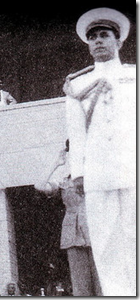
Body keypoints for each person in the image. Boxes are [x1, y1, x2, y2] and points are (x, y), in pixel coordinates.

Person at [63, 7, 135, 296]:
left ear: (118, 41)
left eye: (104, 35)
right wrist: (79, 174)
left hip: (133, 169)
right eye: (92, 38)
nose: (97, 41)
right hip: (98, 174)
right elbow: (76, 133)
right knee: (106, 242)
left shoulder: (135, 76)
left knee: (135, 236)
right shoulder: (77, 85)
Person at [34, 140, 101, 296]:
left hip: (97, 230)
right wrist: (56, 163)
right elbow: (39, 185)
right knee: (81, 287)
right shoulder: (64, 181)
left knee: (102, 285)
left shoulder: (98, 174)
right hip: (73, 235)